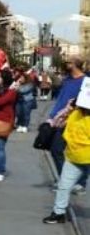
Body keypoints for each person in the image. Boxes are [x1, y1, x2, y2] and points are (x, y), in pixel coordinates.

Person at [45, 90, 90, 224]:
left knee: (64, 185)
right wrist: (68, 109)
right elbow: (57, 123)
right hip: (74, 157)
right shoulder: (75, 113)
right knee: (64, 185)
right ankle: (58, 213)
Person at [44, 57, 85, 176]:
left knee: (67, 151)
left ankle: (74, 182)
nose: (65, 64)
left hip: (73, 120)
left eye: (68, 63)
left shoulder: (86, 81)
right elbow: (60, 97)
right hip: (59, 118)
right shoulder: (67, 80)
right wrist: (53, 114)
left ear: (75, 64)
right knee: (56, 150)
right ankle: (66, 180)